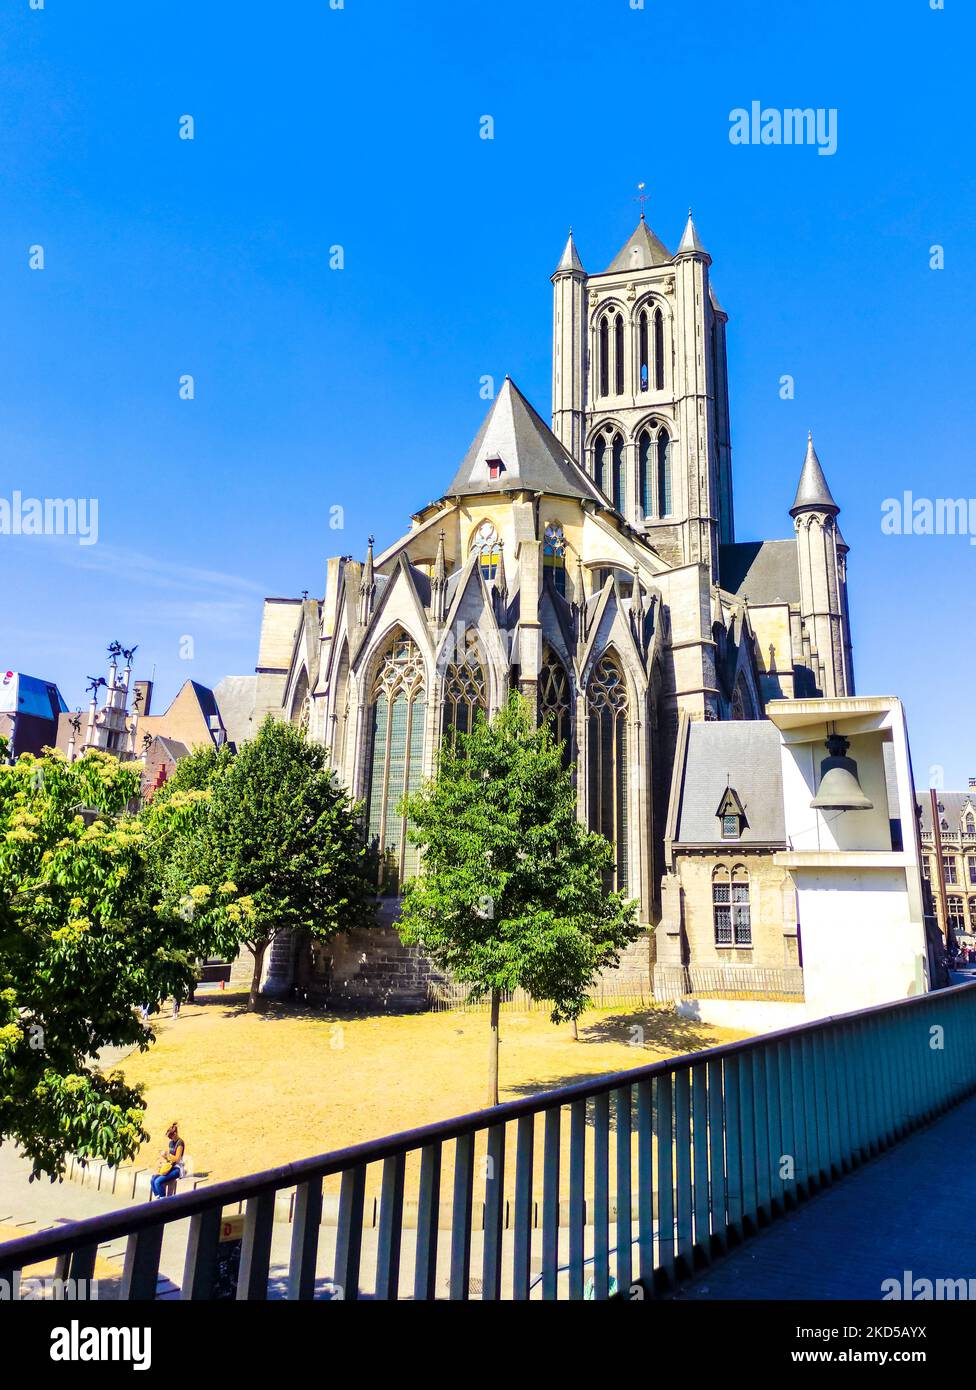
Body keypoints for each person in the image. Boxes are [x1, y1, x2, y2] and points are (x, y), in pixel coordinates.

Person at [150, 1123, 185, 1199]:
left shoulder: (180, 1143)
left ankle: (163, 1201)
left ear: (175, 1134)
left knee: (157, 1182)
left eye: (170, 1136)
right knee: (153, 1179)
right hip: (170, 1166)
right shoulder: (171, 1143)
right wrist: (165, 1157)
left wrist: (168, 1155)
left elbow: (177, 1159)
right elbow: (169, 1159)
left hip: (177, 1168)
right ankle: (158, 1198)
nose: (170, 1139)